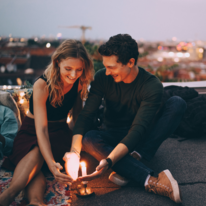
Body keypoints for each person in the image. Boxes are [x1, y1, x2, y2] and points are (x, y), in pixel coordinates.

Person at [65, 34, 187, 204]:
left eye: (112, 67)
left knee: (177, 103)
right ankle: (143, 173)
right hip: (112, 134)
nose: (107, 71)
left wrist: (109, 161)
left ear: (130, 62)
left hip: (142, 137)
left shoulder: (151, 85)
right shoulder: (102, 77)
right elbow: (86, 115)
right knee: (89, 139)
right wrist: (74, 152)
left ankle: (140, 164)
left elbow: (138, 129)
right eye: (106, 66)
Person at [0, 39, 94, 206]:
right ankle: (16, 197)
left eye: (79, 69)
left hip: (59, 133)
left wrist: (75, 150)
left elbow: (77, 118)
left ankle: (33, 201)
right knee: (38, 154)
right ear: (57, 62)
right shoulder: (42, 85)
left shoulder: (80, 82)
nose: (73, 75)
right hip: (32, 131)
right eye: (68, 69)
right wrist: (51, 164)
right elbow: (41, 130)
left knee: (37, 164)